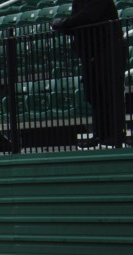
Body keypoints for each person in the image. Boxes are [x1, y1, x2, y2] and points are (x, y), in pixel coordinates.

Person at [52, 0, 128, 148]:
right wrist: (63, 26)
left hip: (108, 51)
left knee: (110, 93)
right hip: (90, 53)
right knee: (93, 94)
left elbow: (89, 15)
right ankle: (100, 135)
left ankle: (115, 136)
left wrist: (64, 23)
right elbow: (77, 23)